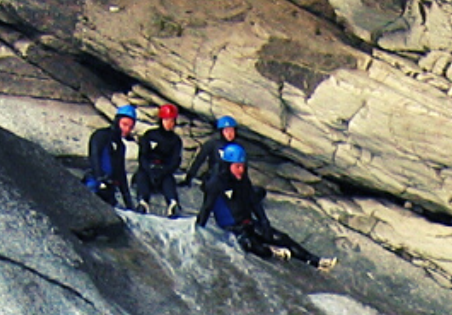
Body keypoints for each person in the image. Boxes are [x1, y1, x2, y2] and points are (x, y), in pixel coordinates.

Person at [196, 144, 336, 271]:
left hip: (247, 223)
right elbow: (206, 208)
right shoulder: (216, 183)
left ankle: (315, 261)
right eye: (237, 166)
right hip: (231, 229)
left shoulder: (243, 179)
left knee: (280, 237)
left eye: (242, 166)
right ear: (227, 166)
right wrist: (197, 232)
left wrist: (264, 222)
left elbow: (253, 201)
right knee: (250, 245)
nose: (241, 170)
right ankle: (271, 251)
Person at [133, 103, 185, 217]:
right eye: (166, 120)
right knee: (142, 176)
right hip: (147, 168)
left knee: (168, 180)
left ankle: (173, 203)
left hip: (164, 169)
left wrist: (164, 171)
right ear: (161, 120)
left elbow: (175, 160)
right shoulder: (150, 135)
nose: (169, 123)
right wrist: (149, 167)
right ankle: (143, 202)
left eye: (171, 120)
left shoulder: (175, 140)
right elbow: (142, 155)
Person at [86, 105, 136, 208]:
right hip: (93, 183)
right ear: (117, 121)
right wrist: (100, 181)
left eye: (130, 127)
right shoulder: (100, 135)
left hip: (109, 188)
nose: (127, 129)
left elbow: (121, 172)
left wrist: (128, 201)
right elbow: (94, 157)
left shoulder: (121, 146)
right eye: (124, 124)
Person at [182, 114, 244, 192]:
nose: (229, 134)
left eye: (232, 130)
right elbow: (199, 160)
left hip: (230, 181)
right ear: (221, 132)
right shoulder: (212, 144)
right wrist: (189, 178)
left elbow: (242, 169)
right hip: (215, 178)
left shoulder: (238, 147)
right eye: (226, 131)